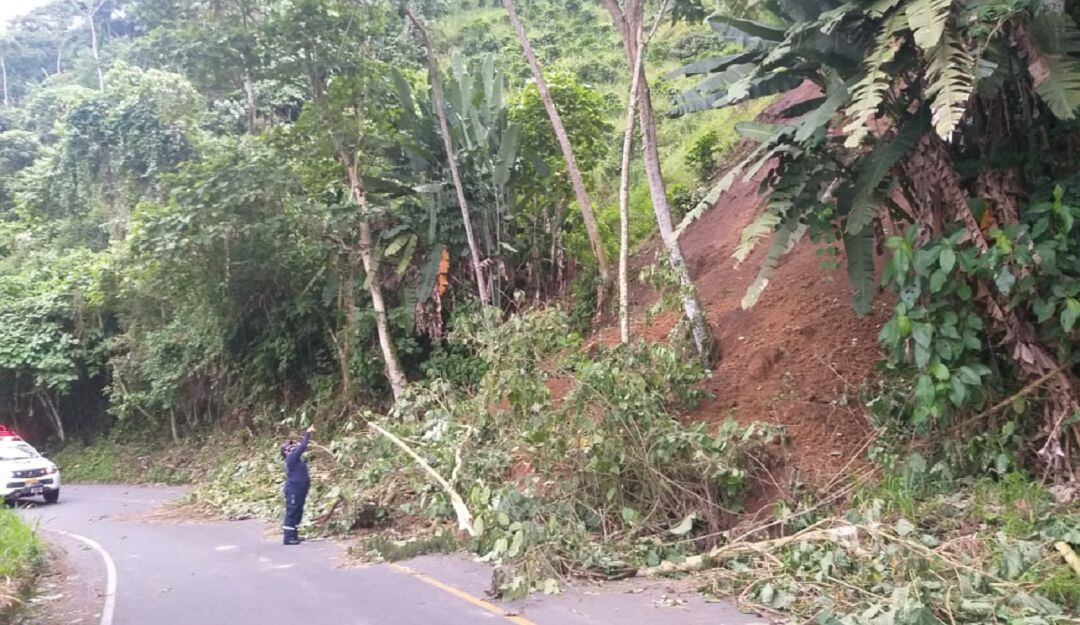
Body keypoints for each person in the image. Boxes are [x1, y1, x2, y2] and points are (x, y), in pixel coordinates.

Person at [281, 424, 315, 545]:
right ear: (286, 452)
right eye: (289, 447)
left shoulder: (296, 459)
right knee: (292, 511)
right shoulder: (291, 458)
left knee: (298, 511)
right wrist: (308, 433)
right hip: (294, 489)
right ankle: (288, 537)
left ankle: (294, 534)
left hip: (300, 489)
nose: (292, 447)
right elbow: (303, 447)